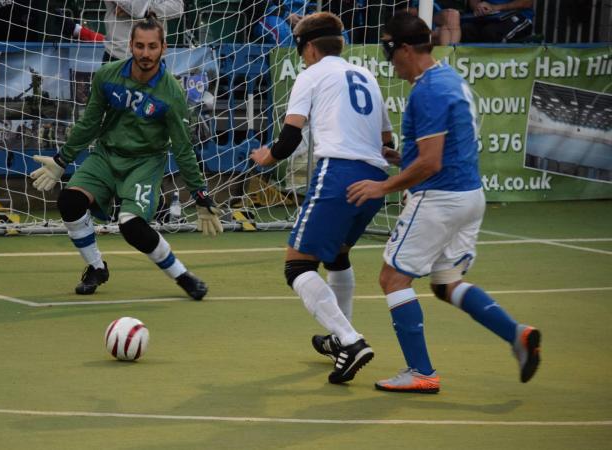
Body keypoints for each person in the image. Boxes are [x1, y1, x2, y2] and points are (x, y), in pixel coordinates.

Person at [347, 11, 541, 393]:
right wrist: (401, 158)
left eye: (390, 55)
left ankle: (421, 372)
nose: (391, 65)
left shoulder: (428, 91)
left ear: (405, 49)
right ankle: (517, 334)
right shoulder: (450, 80)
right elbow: (441, 150)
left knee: (392, 278)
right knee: (446, 282)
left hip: (440, 198)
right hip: (469, 196)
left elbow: (432, 162)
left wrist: (382, 187)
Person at [29, 16, 223, 299]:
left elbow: (183, 148)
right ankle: (96, 267)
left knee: (131, 226)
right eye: (140, 46)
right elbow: (90, 123)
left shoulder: (172, 93)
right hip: (106, 155)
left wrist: (200, 195)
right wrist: (62, 160)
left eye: (152, 47)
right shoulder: (107, 76)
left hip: (144, 162)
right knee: (69, 202)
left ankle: (182, 276)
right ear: (130, 45)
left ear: (163, 49)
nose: (146, 53)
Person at [250, 12, 395, 385]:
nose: (302, 58)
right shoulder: (366, 76)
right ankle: (338, 337)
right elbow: (387, 144)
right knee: (337, 255)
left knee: (297, 267)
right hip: (377, 178)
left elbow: (290, 137)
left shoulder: (311, 75)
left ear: (310, 47)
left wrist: (267, 156)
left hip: (340, 176)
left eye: (301, 51)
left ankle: (350, 339)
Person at [103, 1, 183, 61]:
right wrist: (141, 11)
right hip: (119, 54)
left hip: (155, 55)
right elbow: (137, 9)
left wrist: (148, 11)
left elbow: (178, 7)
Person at [461, 0, 533, 43]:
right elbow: (474, 2)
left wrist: (496, 7)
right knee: (466, 29)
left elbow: (526, 2)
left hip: (519, 15)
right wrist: (478, 8)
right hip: (489, 16)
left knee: (491, 32)